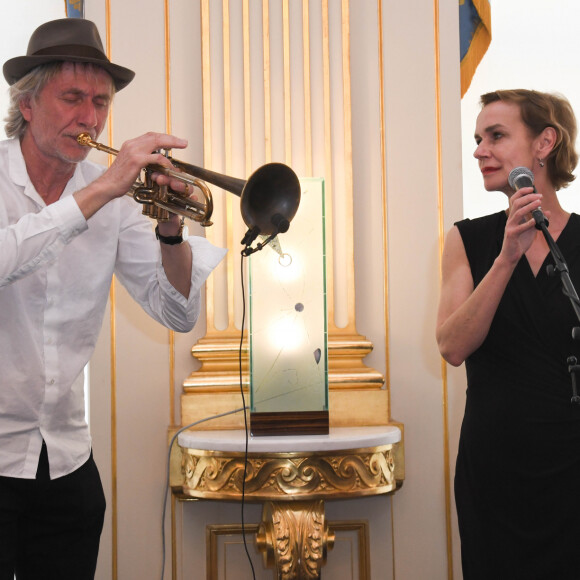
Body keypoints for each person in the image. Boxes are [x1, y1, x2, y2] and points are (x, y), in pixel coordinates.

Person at [0, 18, 226, 580]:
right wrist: (102, 188)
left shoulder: (119, 201)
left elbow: (176, 311)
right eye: (72, 98)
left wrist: (170, 229)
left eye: (100, 102)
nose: (91, 118)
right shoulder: (102, 189)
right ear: (27, 105)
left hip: (68, 460)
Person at [436, 88, 580, 580]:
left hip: (572, 467)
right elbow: (452, 346)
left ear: (544, 143)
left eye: (496, 135)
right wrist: (506, 258)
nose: (479, 149)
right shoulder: (467, 239)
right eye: (477, 138)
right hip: (495, 469)